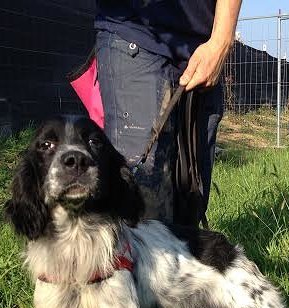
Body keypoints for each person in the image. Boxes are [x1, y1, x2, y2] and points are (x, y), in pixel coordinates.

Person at [94, 0, 243, 223]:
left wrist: (222, 39)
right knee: (141, 211)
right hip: (136, 32)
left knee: (191, 205)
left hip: (203, 46)